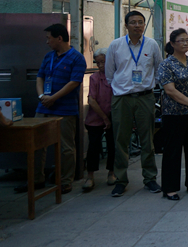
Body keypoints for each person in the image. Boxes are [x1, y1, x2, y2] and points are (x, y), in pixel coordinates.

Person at [14, 23, 87, 195]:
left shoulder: (77, 58)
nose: (47, 42)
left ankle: (65, 181)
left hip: (65, 110)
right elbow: (40, 77)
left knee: (66, 147)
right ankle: (36, 179)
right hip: (44, 107)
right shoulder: (49, 56)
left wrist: (53, 98)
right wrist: (42, 96)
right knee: (36, 144)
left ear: (59, 38)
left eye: (49, 38)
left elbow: (74, 82)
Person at [106, 11, 162, 197]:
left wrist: (147, 86)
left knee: (147, 140)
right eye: (133, 22)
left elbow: (158, 69)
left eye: (140, 22)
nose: (137, 25)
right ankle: (120, 180)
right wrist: (122, 87)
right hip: (122, 98)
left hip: (145, 97)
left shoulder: (152, 44)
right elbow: (109, 73)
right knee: (121, 140)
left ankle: (150, 178)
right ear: (126, 25)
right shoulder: (116, 45)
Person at [156, 28, 188, 201]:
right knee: (172, 151)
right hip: (174, 114)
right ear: (172, 44)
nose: (185, 43)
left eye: (187, 40)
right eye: (181, 40)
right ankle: (170, 188)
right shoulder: (166, 64)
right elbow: (170, 90)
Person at [82, 48, 115, 192]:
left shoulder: (115, 76)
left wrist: (109, 119)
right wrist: (104, 118)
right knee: (93, 146)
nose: (101, 65)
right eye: (98, 62)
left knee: (113, 145)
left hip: (113, 116)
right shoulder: (94, 78)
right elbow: (92, 100)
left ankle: (112, 172)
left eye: (103, 62)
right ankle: (90, 176)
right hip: (96, 117)